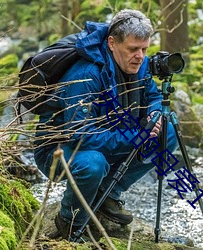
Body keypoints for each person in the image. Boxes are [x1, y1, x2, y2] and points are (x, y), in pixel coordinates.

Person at [34, 9, 178, 241]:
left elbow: (152, 96)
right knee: (93, 164)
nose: (140, 56)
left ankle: (108, 193)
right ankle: (69, 221)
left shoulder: (138, 64)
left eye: (145, 49)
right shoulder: (85, 75)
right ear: (112, 43)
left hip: (109, 135)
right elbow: (80, 136)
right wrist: (136, 136)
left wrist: (154, 113)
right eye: (133, 49)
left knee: (167, 132)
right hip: (59, 149)